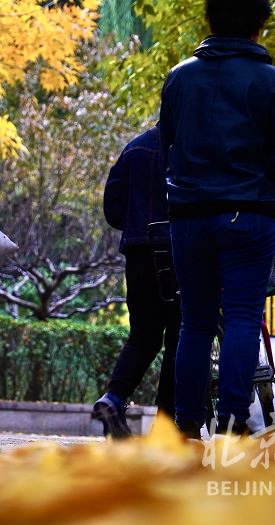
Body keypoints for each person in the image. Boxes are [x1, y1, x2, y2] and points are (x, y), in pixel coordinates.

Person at [158, 0, 275, 438]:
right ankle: (231, 416)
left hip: (187, 216)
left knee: (195, 322)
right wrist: (266, 176)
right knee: (243, 315)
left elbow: (167, 144)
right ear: (260, 25)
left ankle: (185, 426)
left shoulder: (180, 77)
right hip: (249, 212)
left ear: (210, 20)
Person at [93, 126, 182, 437]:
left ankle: (113, 399)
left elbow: (113, 208)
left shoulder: (134, 148)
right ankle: (167, 424)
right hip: (179, 250)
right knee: (180, 338)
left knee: (143, 336)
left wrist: (136, 223)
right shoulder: (191, 145)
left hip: (139, 251)